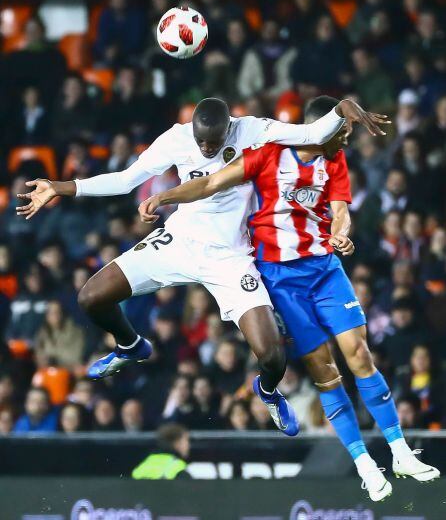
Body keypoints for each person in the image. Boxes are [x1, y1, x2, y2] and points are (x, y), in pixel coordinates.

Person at [17, 96, 386, 437]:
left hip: (230, 257)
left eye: (213, 143)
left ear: (228, 129)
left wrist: (344, 108)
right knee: (91, 297)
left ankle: (269, 392)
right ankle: (130, 345)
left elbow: (311, 132)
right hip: (180, 240)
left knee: (273, 356)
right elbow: (126, 180)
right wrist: (60, 187)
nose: (207, 149)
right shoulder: (175, 139)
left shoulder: (253, 130)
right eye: (201, 143)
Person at [141, 96, 439, 499]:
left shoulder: (335, 161)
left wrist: (341, 231)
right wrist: (165, 197)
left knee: (361, 355)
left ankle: (400, 452)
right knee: (325, 370)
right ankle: (365, 464)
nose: (347, 138)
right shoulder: (268, 154)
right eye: (344, 130)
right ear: (322, 129)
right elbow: (211, 182)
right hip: (281, 278)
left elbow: (340, 210)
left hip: (325, 270)